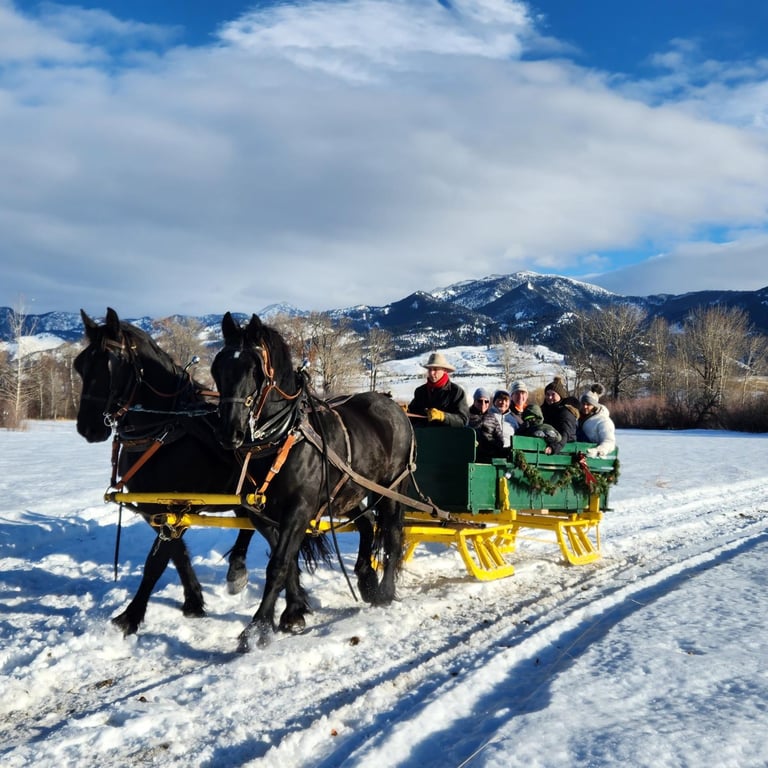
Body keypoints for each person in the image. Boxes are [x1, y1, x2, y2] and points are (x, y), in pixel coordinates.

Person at [408, 351, 469, 428]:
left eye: (435, 369)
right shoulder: (420, 392)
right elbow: (413, 417)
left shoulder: (456, 392)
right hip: (423, 437)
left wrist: (443, 416)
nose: (431, 373)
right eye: (430, 369)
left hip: (448, 438)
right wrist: (404, 412)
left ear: (444, 370)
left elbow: (463, 420)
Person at [540, 376, 579, 453]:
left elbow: (565, 434)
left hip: (564, 451)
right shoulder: (544, 410)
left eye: (553, 394)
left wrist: (553, 448)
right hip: (547, 446)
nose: (550, 397)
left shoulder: (565, 412)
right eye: (547, 394)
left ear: (560, 396)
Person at [577, 383, 616, 457]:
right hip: (575, 455)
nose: (585, 406)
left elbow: (609, 441)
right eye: (583, 403)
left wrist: (598, 451)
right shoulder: (577, 417)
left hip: (593, 458)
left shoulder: (603, 421)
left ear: (594, 405)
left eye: (588, 404)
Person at [468, 387, 505, 462]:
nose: (483, 404)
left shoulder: (492, 418)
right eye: (480, 401)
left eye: (486, 401)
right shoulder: (466, 415)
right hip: (471, 456)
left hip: (490, 456)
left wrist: (491, 445)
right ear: (474, 401)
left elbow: (500, 439)